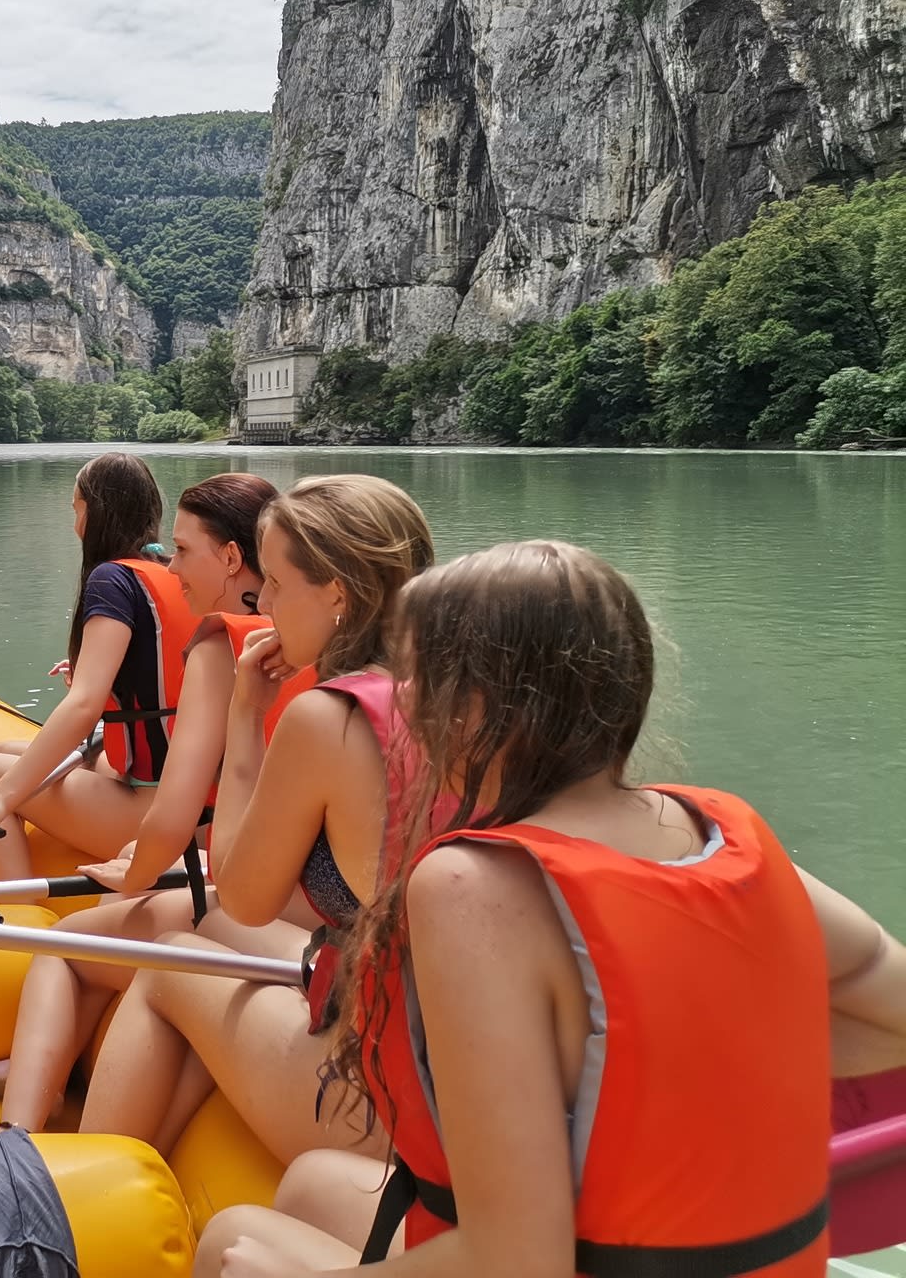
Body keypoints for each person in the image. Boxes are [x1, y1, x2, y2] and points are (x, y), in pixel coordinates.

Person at [197, 541, 906, 1276]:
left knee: (233, 1242)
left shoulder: (471, 888)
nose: (403, 702)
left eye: (416, 681)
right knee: (314, 1184)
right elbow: (890, 1009)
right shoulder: (722, 831)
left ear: (472, 709)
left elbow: (518, 1262)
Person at [80, 474, 434, 1163]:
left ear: (337, 591)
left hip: (393, 1089)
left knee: (172, 963)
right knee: (202, 929)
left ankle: (73, 1203)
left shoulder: (328, 718)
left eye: (274, 582)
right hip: (435, 1041)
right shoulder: (455, 697)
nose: (263, 603)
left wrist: (246, 715)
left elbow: (244, 897)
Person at [0, 473, 316, 1129]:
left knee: (66, 942)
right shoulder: (361, 658)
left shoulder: (230, 646)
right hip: (299, 900)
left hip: (234, 875)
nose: (170, 565)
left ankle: (17, 1127)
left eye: (181, 550)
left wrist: (138, 877)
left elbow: (180, 818)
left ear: (232, 558)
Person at [0, 453, 195, 880]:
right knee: (3, 752)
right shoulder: (168, 569)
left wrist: (0, 800)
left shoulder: (111, 579)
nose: (74, 523)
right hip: (187, 793)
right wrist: (107, 679)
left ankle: (15, 916)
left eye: (77, 509)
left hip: (158, 811)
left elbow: (84, 707)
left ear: (97, 512)